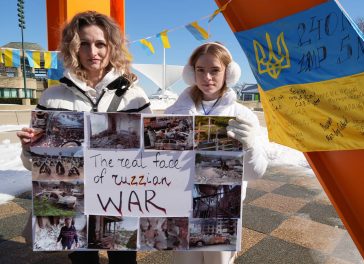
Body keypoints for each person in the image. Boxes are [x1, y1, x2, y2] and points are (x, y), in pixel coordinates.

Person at [17, 11, 151, 264]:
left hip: (121, 196)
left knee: (124, 260)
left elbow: (152, 154)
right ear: (74, 48)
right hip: (74, 199)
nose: (93, 52)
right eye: (85, 44)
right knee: (82, 260)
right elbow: (34, 165)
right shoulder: (52, 97)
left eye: (100, 44)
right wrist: (29, 148)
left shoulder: (135, 96)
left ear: (112, 47)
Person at [165, 42, 268, 264]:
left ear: (228, 73)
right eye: (200, 70)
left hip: (222, 211)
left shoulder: (242, 116)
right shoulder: (172, 113)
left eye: (215, 70)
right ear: (191, 73)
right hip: (181, 207)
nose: (207, 77)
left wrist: (250, 146)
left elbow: (255, 173)